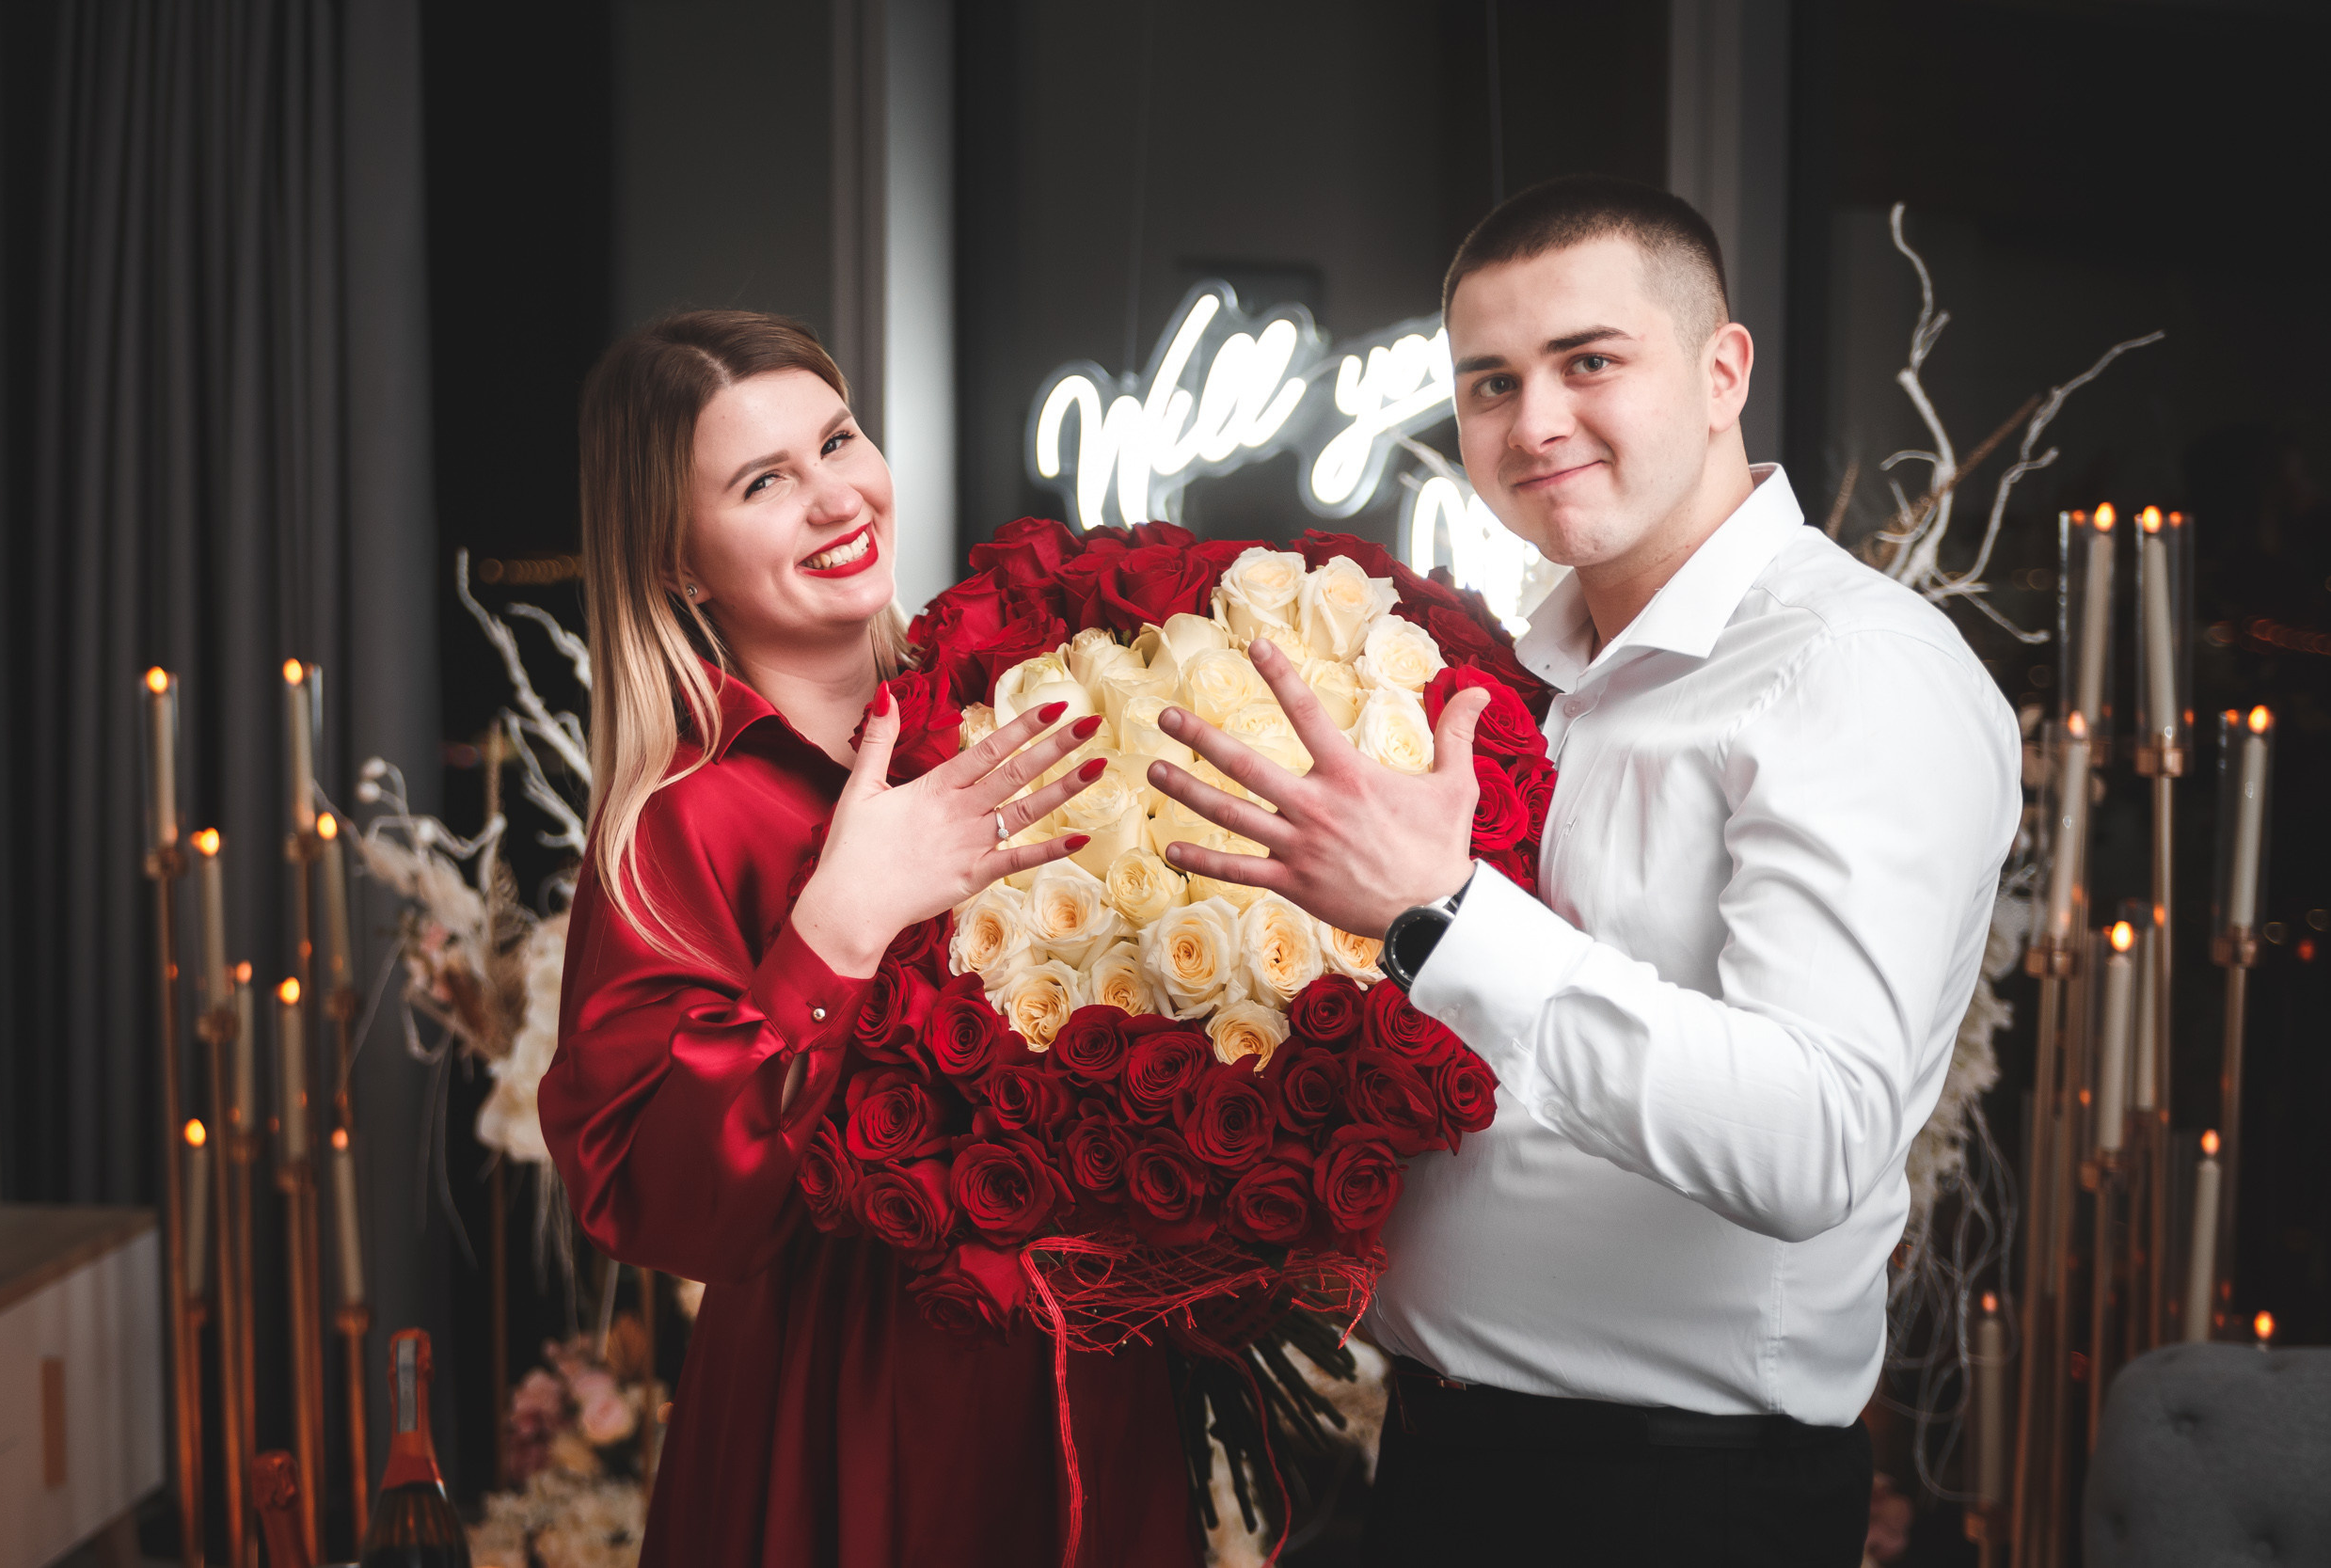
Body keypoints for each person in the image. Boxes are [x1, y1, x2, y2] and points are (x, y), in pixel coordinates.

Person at [1149, 175, 2019, 1564]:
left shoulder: (1853, 673)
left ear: (1724, 370)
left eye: (1590, 362)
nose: (1534, 422)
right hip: (1445, 1458)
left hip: (1671, 1504)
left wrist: (1438, 918)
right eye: (1489, 383)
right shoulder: (1519, 673)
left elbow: (1814, 1139)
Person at [539, 310, 1201, 1568]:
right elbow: (666, 1205)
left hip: (1093, 1387)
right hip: (850, 1412)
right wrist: (837, 928)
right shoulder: (685, 822)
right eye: (762, 482)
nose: (834, 499)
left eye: (837, 440)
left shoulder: (1019, 702)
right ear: (680, 563)